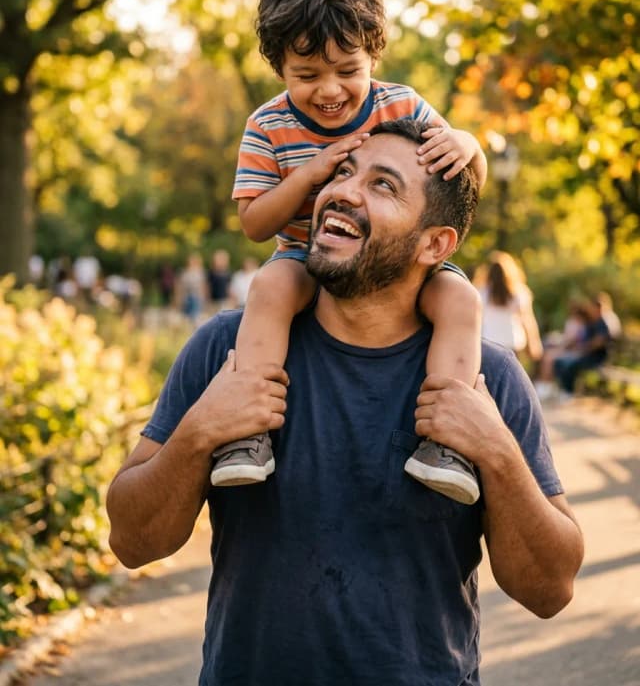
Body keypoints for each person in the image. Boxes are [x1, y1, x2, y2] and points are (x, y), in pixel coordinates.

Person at [107, 120, 583, 686]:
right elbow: (132, 542)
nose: (343, 191)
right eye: (342, 172)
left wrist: (497, 453)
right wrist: (199, 431)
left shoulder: (488, 379)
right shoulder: (227, 351)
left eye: (383, 186)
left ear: (435, 243)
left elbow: (550, 590)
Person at [211, 0, 488, 503]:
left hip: (391, 260)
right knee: (267, 288)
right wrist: (310, 174)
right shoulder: (268, 125)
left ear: (373, 58)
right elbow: (253, 223)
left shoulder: (400, 104)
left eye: (348, 71)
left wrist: (470, 143)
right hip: (304, 254)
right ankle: (248, 434)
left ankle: (447, 443)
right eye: (306, 75)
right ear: (279, 67)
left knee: (460, 300)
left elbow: (465, 183)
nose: (330, 90)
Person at [474, 250, 543, 367]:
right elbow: (528, 320)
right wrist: (534, 343)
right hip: (513, 342)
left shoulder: (480, 293)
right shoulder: (519, 292)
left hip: (488, 342)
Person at [553, 294, 613, 396]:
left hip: (596, 358)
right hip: (586, 354)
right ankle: (562, 389)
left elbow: (599, 342)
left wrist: (584, 348)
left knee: (570, 365)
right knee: (560, 361)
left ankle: (569, 392)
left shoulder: (603, 323)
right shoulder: (593, 321)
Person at [176, 254, 208, 324]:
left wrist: (204, 299)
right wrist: (179, 298)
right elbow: (180, 287)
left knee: (196, 316)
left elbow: (203, 287)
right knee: (186, 316)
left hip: (197, 298)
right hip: (186, 297)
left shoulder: (201, 273)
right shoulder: (184, 273)